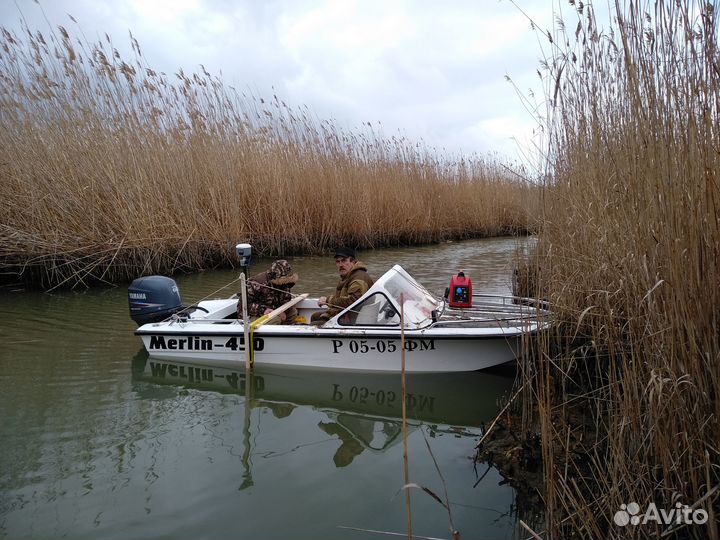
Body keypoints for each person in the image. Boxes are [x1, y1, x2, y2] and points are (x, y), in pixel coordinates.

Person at [311, 247, 374, 325]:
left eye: (344, 261)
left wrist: (328, 300)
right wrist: (327, 314)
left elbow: (352, 302)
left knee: (313, 326)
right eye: (338, 262)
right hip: (349, 315)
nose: (340, 265)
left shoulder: (358, 278)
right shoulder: (349, 276)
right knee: (315, 316)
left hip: (353, 320)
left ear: (353, 262)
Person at [237, 259, 299, 324]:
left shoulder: (285, 284)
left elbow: (285, 299)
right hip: (254, 315)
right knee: (276, 319)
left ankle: (285, 331)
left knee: (293, 312)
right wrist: (263, 310)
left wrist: (283, 310)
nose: (286, 283)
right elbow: (243, 305)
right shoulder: (257, 282)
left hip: (275, 311)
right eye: (284, 280)